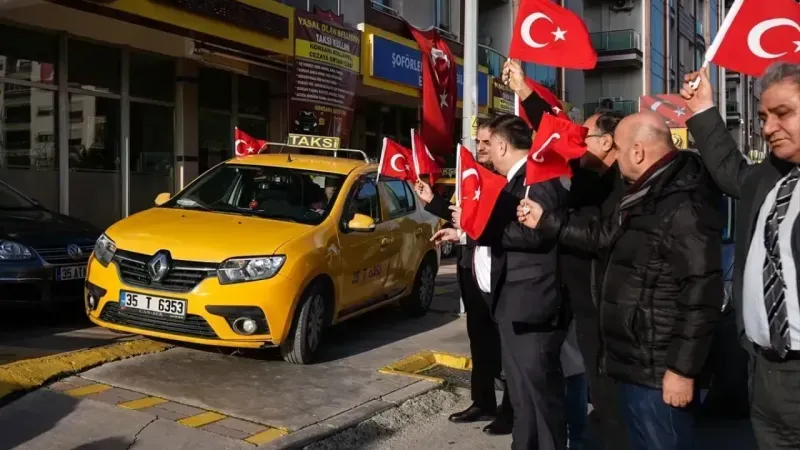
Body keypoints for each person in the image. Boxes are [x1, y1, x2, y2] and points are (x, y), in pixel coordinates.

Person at [516, 111, 724, 450]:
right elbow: (602, 235)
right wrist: (546, 221)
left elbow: (702, 294)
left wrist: (682, 370)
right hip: (630, 360)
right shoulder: (641, 192)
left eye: (620, 150)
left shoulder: (684, 202)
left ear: (638, 151)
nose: (616, 158)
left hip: (659, 371)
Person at [504, 59, 625, 450]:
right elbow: (555, 135)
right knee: (583, 386)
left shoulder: (621, 187)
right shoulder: (588, 176)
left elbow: (601, 236)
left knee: (612, 403)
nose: (578, 140)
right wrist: (523, 91)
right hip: (580, 307)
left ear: (608, 142)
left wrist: (549, 223)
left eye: (586, 135)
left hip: (609, 312)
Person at [681, 62, 800, 449]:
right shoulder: (769, 178)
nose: (767, 128)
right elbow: (731, 170)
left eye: (783, 114)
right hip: (763, 372)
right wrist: (703, 109)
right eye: (764, 116)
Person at [434, 114, 570, 450]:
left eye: (488, 144)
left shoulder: (535, 179)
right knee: (524, 396)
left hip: (531, 303)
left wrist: (484, 229)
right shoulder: (514, 179)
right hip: (513, 302)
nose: (485, 151)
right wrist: (470, 231)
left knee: (539, 396)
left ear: (502, 144)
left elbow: (537, 234)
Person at [416, 122, 513, 435]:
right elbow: (464, 215)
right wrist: (433, 201)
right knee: (480, 339)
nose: (481, 147)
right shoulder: (470, 174)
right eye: (478, 141)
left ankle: (510, 410)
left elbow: (488, 224)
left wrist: (462, 230)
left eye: (487, 142)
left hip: (498, 272)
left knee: (507, 345)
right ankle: (482, 401)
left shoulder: (504, 179)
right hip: (470, 267)